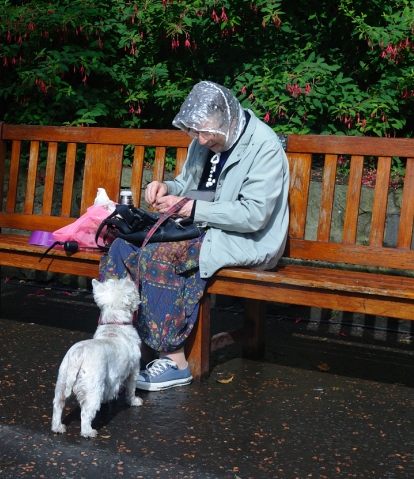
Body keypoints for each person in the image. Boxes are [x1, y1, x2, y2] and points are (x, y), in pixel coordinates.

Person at [99, 80, 289, 391]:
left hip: (247, 238)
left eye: (205, 134)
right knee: (123, 246)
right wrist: (167, 188)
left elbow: (253, 215)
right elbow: (188, 183)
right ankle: (134, 344)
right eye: (195, 132)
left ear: (227, 120)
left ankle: (175, 361)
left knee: (164, 254)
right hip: (201, 227)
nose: (200, 140)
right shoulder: (206, 139)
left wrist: (189, 209)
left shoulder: (264, 146)